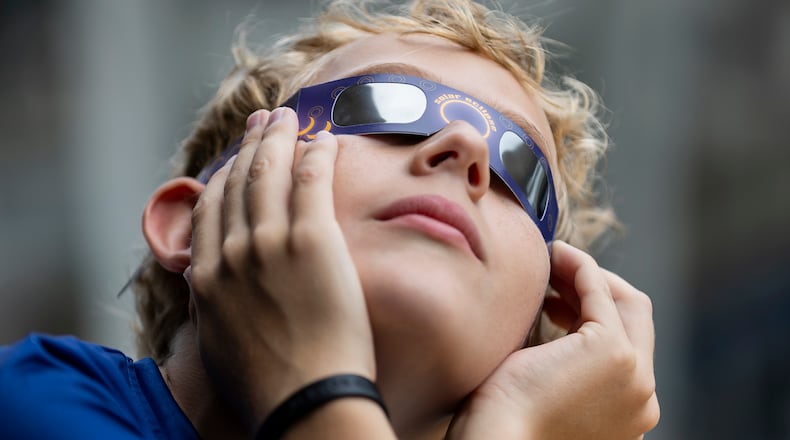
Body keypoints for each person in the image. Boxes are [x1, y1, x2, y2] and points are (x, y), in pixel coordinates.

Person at [0, 0, 659, 438]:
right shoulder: (35, 401)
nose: (470, 151)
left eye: (524, 173)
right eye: (390, 104)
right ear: (192, 220)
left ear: (544, 334)